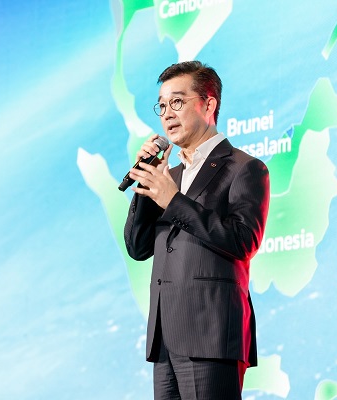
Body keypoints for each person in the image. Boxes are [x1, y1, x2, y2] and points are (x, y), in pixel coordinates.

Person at [123, 61, 270, 399]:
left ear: (208, 104)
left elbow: (243, 240)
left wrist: (173, 201)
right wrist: (147, 181)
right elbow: (137, 247)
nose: (167, 114)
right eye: (162, 106)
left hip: (210, 335)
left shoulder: (244, 168)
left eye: (177, 101)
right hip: (165, 339)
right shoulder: (169, 176)